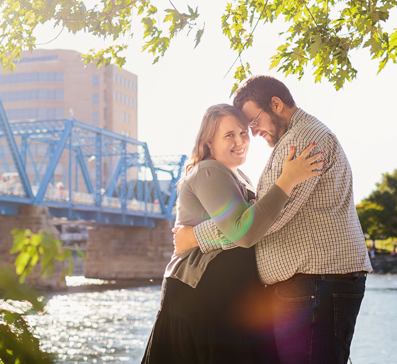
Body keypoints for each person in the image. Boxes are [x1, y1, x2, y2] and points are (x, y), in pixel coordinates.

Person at [173, 76, 372, 364]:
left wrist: (195, 237)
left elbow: (256, 222)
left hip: (315, 285)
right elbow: (259, 212)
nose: (251, 134)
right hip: (312, 286)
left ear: (275, 104)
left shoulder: (300, 141)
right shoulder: (298, 137)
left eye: (252, 123)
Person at [142, 104, 323, 364]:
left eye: (243, 133)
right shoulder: (210, 170)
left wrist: (195, 236)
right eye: (229, 135)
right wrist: (288, 179)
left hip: (227, 296)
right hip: (203, 294)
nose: (240, 141)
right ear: (209, 142)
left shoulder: (238, 176)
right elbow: (243, 231)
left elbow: (253, 223)